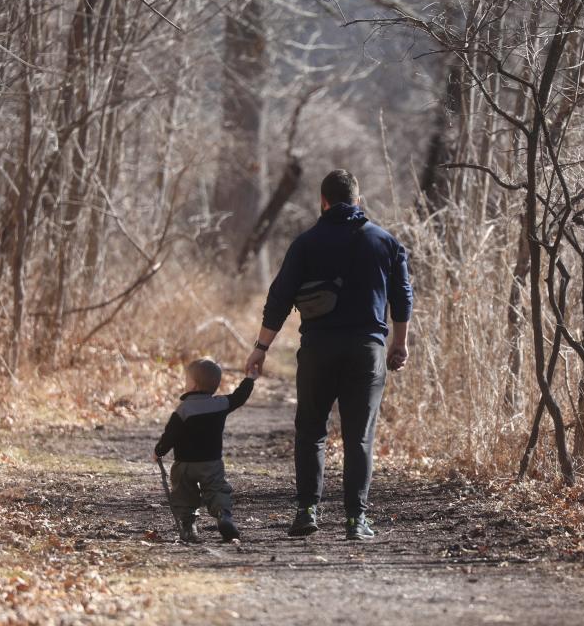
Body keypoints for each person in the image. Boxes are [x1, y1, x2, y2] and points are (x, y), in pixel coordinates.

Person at [244, 169, 413, 540]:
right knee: (359, 437)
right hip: (367, 351)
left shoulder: (306, 243)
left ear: (323, 201)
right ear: (358, 200)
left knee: (310, 432)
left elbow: (279, 299)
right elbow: (402, 297)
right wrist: (399, 342)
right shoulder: (386, 243)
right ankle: (356, 520)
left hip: (318, 349)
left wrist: (261, 348)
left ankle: (306, 511)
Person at [154, 358, 255, 543]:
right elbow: (240, 397)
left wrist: (159, 450)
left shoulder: (184, 409)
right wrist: (250, 379)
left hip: (184, 465)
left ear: (192, 384)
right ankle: (223, 515)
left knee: (184, 495)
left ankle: (189, 526)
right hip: (211, 463)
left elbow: (171, 434)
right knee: (217, 490)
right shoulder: (221, 403)